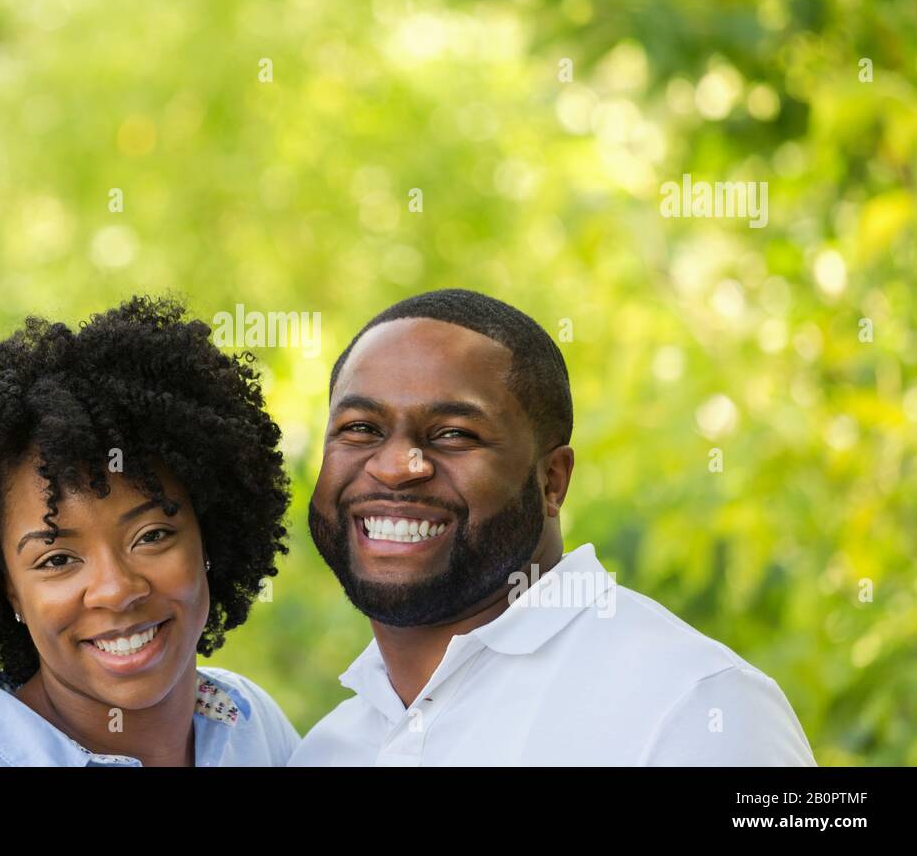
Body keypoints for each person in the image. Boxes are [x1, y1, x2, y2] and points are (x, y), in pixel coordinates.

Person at [291, 288, 815, 765]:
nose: (395, 466)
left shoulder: (692, 705)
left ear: (552, 481)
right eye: (360, 429)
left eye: (453, 434)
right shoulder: (327, 749)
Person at [0, 295, 300, 766]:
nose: (116, 591)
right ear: (8, 589)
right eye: (56, 560)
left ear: (208, 535)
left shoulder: (251, 725)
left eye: (152, 535)